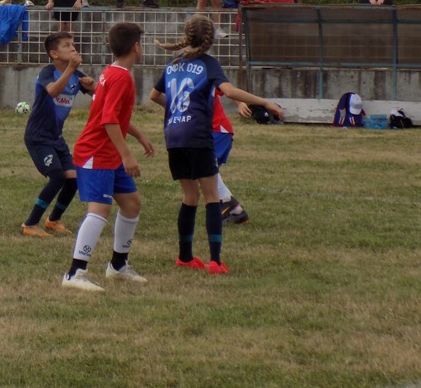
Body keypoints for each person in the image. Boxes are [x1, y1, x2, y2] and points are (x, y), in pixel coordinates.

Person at [149, 14, 283, 274]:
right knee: (211, 197)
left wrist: (176, 111)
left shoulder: (173, 63)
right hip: (197, 135)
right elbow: (229, 91)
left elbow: (154, 95)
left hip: (174, 136)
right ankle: (215, 261)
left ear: (187, 36)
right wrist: (265, 102)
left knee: (190, 196)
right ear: (209, 41)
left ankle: (185, 257)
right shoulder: (208, 63)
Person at [61, 22, 155, 292]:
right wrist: (128, 155)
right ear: (136, 47)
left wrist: (139, 136)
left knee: (131, 204)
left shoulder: (112, 72)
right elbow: (109, 120)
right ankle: (74, 273)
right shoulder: (120, 77)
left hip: (109, 152)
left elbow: (112, 114)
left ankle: (118, 266)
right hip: (96, 153)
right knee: (99, 210)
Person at [21, 32, 96, 238]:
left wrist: (92, 86)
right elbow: (53, 91)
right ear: (54, 54)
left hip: (56, 137)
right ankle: (30, 223)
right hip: (38, 136)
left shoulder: (76, 75)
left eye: (73, 44)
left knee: (73, 178)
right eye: (67, 45)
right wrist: (71, 69)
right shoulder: (48, 72)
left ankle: (53, 220)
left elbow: (98, 95)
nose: (73, 48)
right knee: (56, 177)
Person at [212, 92, 251, 225]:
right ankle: (236, 211)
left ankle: (228, 202)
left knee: (203, 168)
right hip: (211, 131)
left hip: (217, 130)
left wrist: (240, 103)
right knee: (203, 173)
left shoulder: (203, 78)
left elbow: (226, 88)